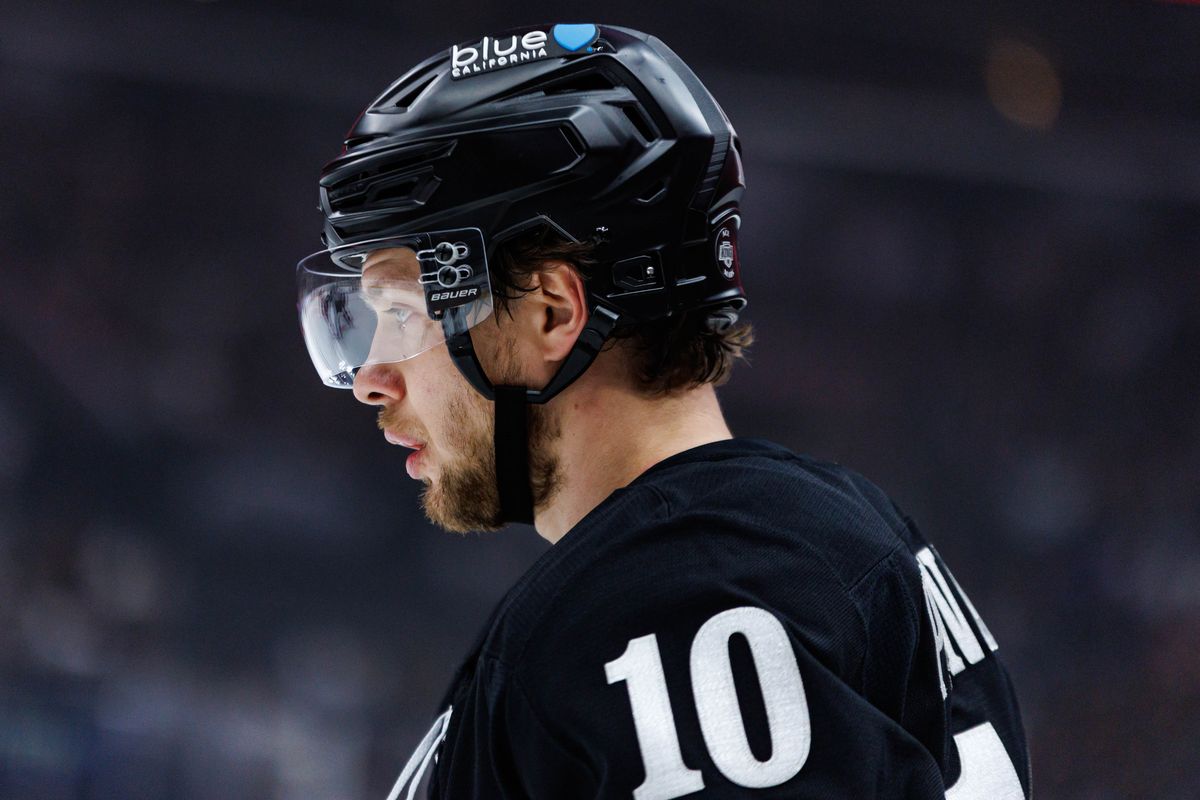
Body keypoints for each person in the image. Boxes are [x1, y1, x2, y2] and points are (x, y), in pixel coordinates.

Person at [295, 23, 1031, 800]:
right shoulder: (824, 533)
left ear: (550, 313)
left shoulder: (676, 595)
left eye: (402, 313)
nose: (372, 379)